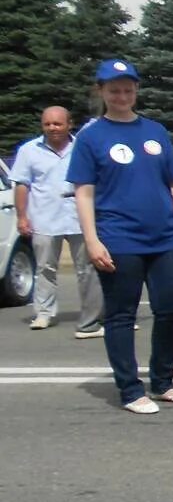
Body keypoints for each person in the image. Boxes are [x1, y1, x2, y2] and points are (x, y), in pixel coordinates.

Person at [67, 59, 173, 414]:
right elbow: (84, 192)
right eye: (114, 89)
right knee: (121, 316)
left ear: (136, 90)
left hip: (166, 237)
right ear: (101, 92)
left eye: (128, 89)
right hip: (119, 238)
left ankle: (162, 382)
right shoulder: (91, 137)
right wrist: (92, 240)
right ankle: (130, 389)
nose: (122, 95)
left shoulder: (155, 131)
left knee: (170, 311)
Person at [13, 106, 102, 337]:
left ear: (69, 124)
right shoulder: (28, 151)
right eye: (48, 124)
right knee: (45, 268)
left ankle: (93, 314)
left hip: (78, 217)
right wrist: (22, 216)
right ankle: (44, 313)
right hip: (44, 217)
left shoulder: (81, 146)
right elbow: (22, 185)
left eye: (58, 124)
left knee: (88, 269)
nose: (53, 128)